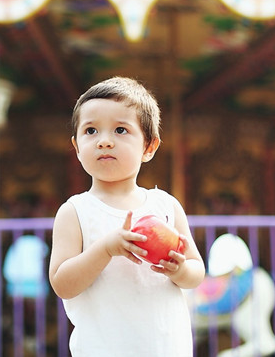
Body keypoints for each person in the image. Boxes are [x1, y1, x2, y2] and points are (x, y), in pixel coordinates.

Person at [49, 76, 205, 357]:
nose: (104, 141)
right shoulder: (74, 212)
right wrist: (106, 248)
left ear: (149, 147)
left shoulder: (166, 206)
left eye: (120, 130)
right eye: (91, 131)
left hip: (168, 348)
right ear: (76, 147)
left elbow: (196, 271)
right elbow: (62, 284)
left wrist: (180, 270)